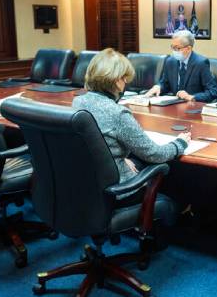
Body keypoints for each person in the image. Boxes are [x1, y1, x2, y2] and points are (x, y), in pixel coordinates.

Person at [73, 48, 191, 199]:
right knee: (174, 190)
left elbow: (95, 143)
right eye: (124, 79)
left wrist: (116, 159)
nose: (125, 83)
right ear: (116, 80)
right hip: (117, 190)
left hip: (88, 184)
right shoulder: (117, 113)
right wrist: (180, 143)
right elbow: (154, 154)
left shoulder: (79, 102)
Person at [144, 30, 217, 103]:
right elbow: (165, 83)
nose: (174, 51)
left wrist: (191, 97)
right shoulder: (170, 61)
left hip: (193, 107)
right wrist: (159, 87)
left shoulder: (201, 63)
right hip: (173, 107)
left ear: (189, 48)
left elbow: (213, 92)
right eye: (172, 47)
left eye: (177, 48)